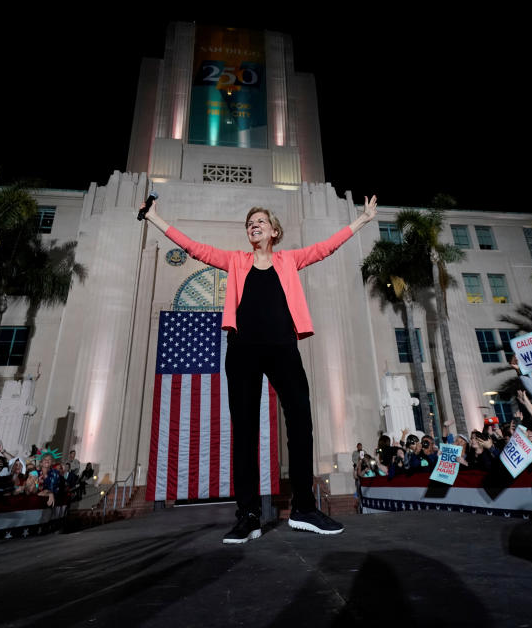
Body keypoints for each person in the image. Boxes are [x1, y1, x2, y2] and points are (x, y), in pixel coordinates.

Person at [144, 195, 378, 544]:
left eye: (260, 221)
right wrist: (154, 218)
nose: (254, 225)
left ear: (274, 231)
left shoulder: (289, 260)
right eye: (249, 223)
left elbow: (326, 247)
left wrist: (361, 220)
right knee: (245, 433)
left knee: (300, 423)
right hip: (242, 352)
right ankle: (248, 515)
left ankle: (303, 508)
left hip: (284, 349)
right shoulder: (236, 261)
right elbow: (194, 248)